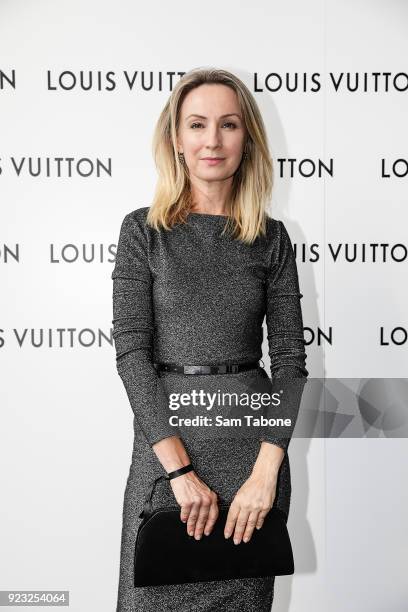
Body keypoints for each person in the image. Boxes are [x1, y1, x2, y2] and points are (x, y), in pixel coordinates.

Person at [111, 67, 308, 612]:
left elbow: (290, 361)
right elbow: (132, 355)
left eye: (228, 124)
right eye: (197, 124)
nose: (212, 140)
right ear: (176, 138)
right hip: (165, 456)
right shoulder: (141, 232)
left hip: (253, 467)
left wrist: (266, 473)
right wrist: (179, 471)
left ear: (248, 139)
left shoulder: (270, 239)